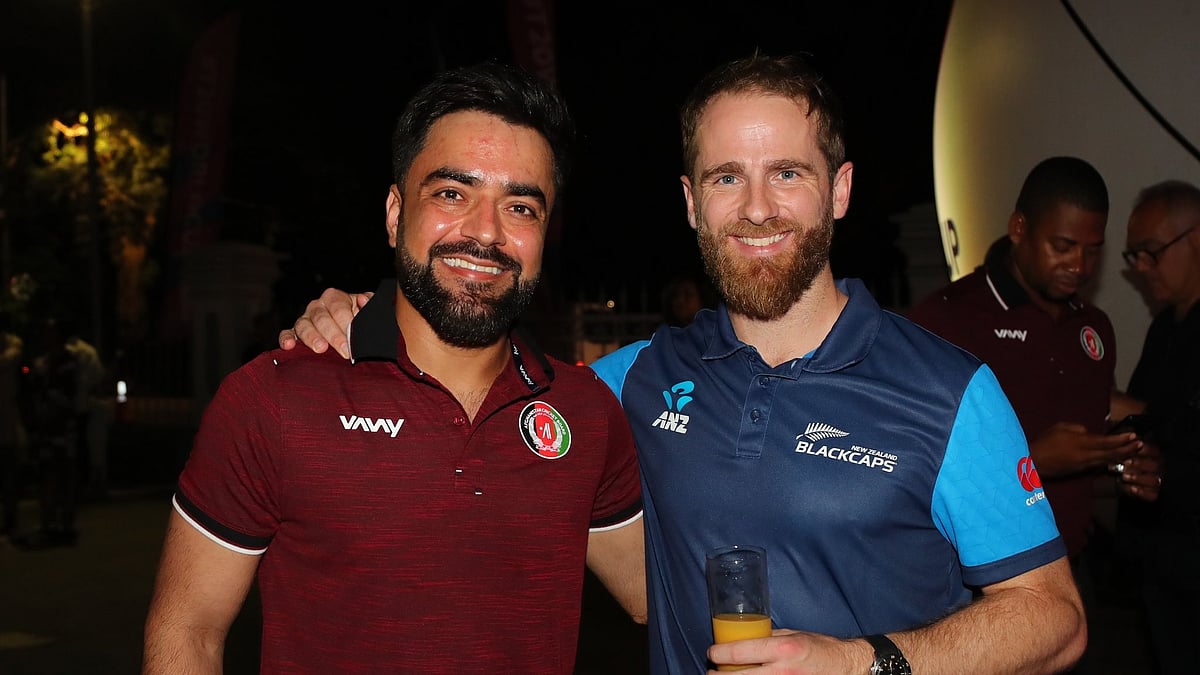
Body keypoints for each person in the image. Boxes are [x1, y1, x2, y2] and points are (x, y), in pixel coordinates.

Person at [283, 54, 1086, 674]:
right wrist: (371, 312)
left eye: (789, 174)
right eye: (726, 176)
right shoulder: (629, 381)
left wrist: (860, 660)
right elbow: (475, 387)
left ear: (838, 191)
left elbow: (1054, 619)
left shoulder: (950, 389)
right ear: (692, 201)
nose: (758, 207)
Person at [143, 62, 646, 675]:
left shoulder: (586, 411)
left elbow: (659, 596)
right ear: (393, 213)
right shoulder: (275, 397)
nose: (485, 233)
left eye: (521, 207)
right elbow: (188, 633)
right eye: (452, 194)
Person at [1117, 179, 1200, 675]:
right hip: (1162, 565)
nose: (1142, 270)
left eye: (1150, 253)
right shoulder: (1166, 327)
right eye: (1134, 256)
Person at [0, 314, 27, 543]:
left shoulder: (12, 347)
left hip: (7, 420)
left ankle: (11, 522)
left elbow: (11, 356)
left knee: (9, 472)